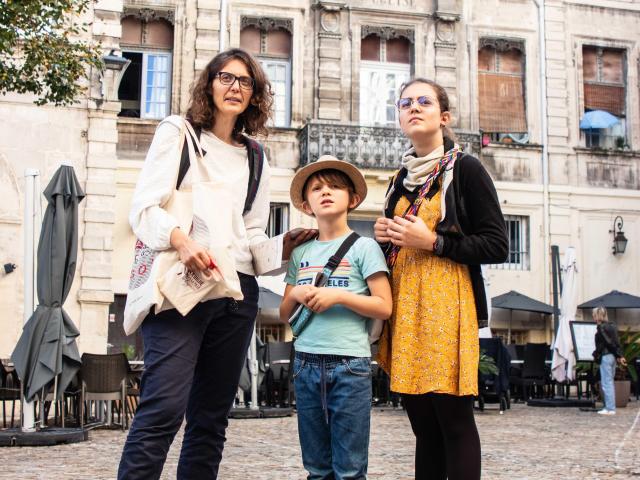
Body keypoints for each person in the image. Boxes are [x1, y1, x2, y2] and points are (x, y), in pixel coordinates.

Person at [118, 48, 315, 480]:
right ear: (209, 84)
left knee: (210, 420)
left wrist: (287, 245)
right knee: (164, 408)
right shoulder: (178, 132)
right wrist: (181, 240)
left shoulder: (257, 155)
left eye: (245, 82)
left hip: (235, 296)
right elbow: (143, 209)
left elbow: (251, 237)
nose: (234, 87)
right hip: (180, 288)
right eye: (226, 77)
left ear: (255, 95)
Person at [374, 78, 508, 480]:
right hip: (406, 308)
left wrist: (433, 241)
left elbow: (496, 244)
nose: (413, 107)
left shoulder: (466, 169)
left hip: (447, 306)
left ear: (443, 117)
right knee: (423, 428)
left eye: (423, 101)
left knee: (453, 423)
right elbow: (402, 248)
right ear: (399, 117)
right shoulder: (401, 178)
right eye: (405, 103)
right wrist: (386, 239)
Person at [280, 156, 393, 480]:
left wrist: (339, 296)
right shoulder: (301, 253)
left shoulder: (365, 248)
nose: (325, 192)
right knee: (316, 467)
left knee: (350, 468)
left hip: (350, 365)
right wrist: (298, 294)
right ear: (306, 204)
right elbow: (285, 313)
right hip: (305, 363)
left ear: (352, 198)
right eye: (316, 188)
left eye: (334, 187)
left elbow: (384, 306)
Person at [593, 306, 627, 415]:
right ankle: (610, 407)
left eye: (594, 315)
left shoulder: (601, 327)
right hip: (612, 357)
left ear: (597, 316)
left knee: (606, 383)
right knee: (609, 382)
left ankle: (610, 408)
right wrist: (619, 355)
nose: (593, 317)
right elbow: (616, 342)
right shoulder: (612, 326)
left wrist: (596, 353)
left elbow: (608, 342)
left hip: (606, 356)